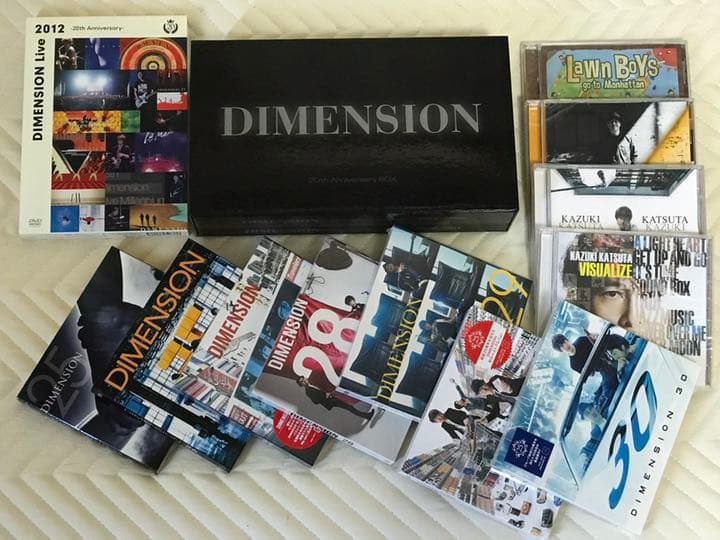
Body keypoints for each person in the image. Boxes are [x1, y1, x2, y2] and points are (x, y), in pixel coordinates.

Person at [296, 376, 374, 421]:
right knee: (349, 407)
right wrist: (325, 396)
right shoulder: (308, 391)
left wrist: (327, 392)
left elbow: (321, 389)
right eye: (302, 382)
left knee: (349, 405)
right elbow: (315, 401)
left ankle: (366, 415)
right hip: (330, 401)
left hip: (332, 396)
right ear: (301, 385)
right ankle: (367, 416)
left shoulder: (312, 383)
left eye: (303, 379)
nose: (304, 381)